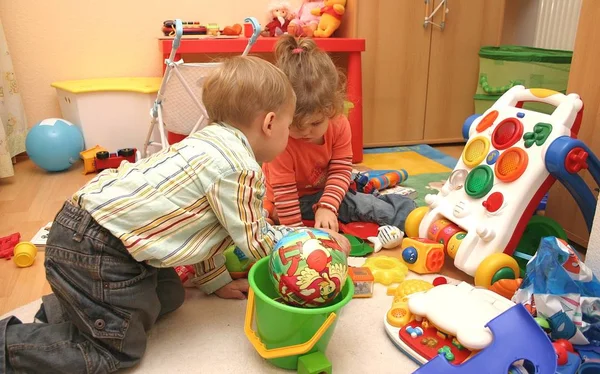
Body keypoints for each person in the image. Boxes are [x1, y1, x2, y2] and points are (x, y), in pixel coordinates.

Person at [0, 56, 350, 374]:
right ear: (270, 123)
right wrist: (315, 241)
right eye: (290, 127)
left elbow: (205, 229)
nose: (291, 137)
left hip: (96, 235)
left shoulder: (209, 139)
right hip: (97, 248)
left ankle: (70, 306)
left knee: (169, 297)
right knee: (117, 349)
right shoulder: (239, 168)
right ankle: (9, 347)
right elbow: (257, 241)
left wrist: (214, 281)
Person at [263, 35, 416, 233]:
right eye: (296, 126)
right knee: (356, 204)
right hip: (290, 204)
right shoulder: (280, 139)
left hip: (325, 192)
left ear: (332, 109)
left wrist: (327, 204)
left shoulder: (339, 124)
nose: (306, 132)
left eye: (316, 123)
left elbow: (341, 170)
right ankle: (409, 219)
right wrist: (296, 237)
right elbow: (285, 196)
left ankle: (412, 212)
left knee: (364, 195)